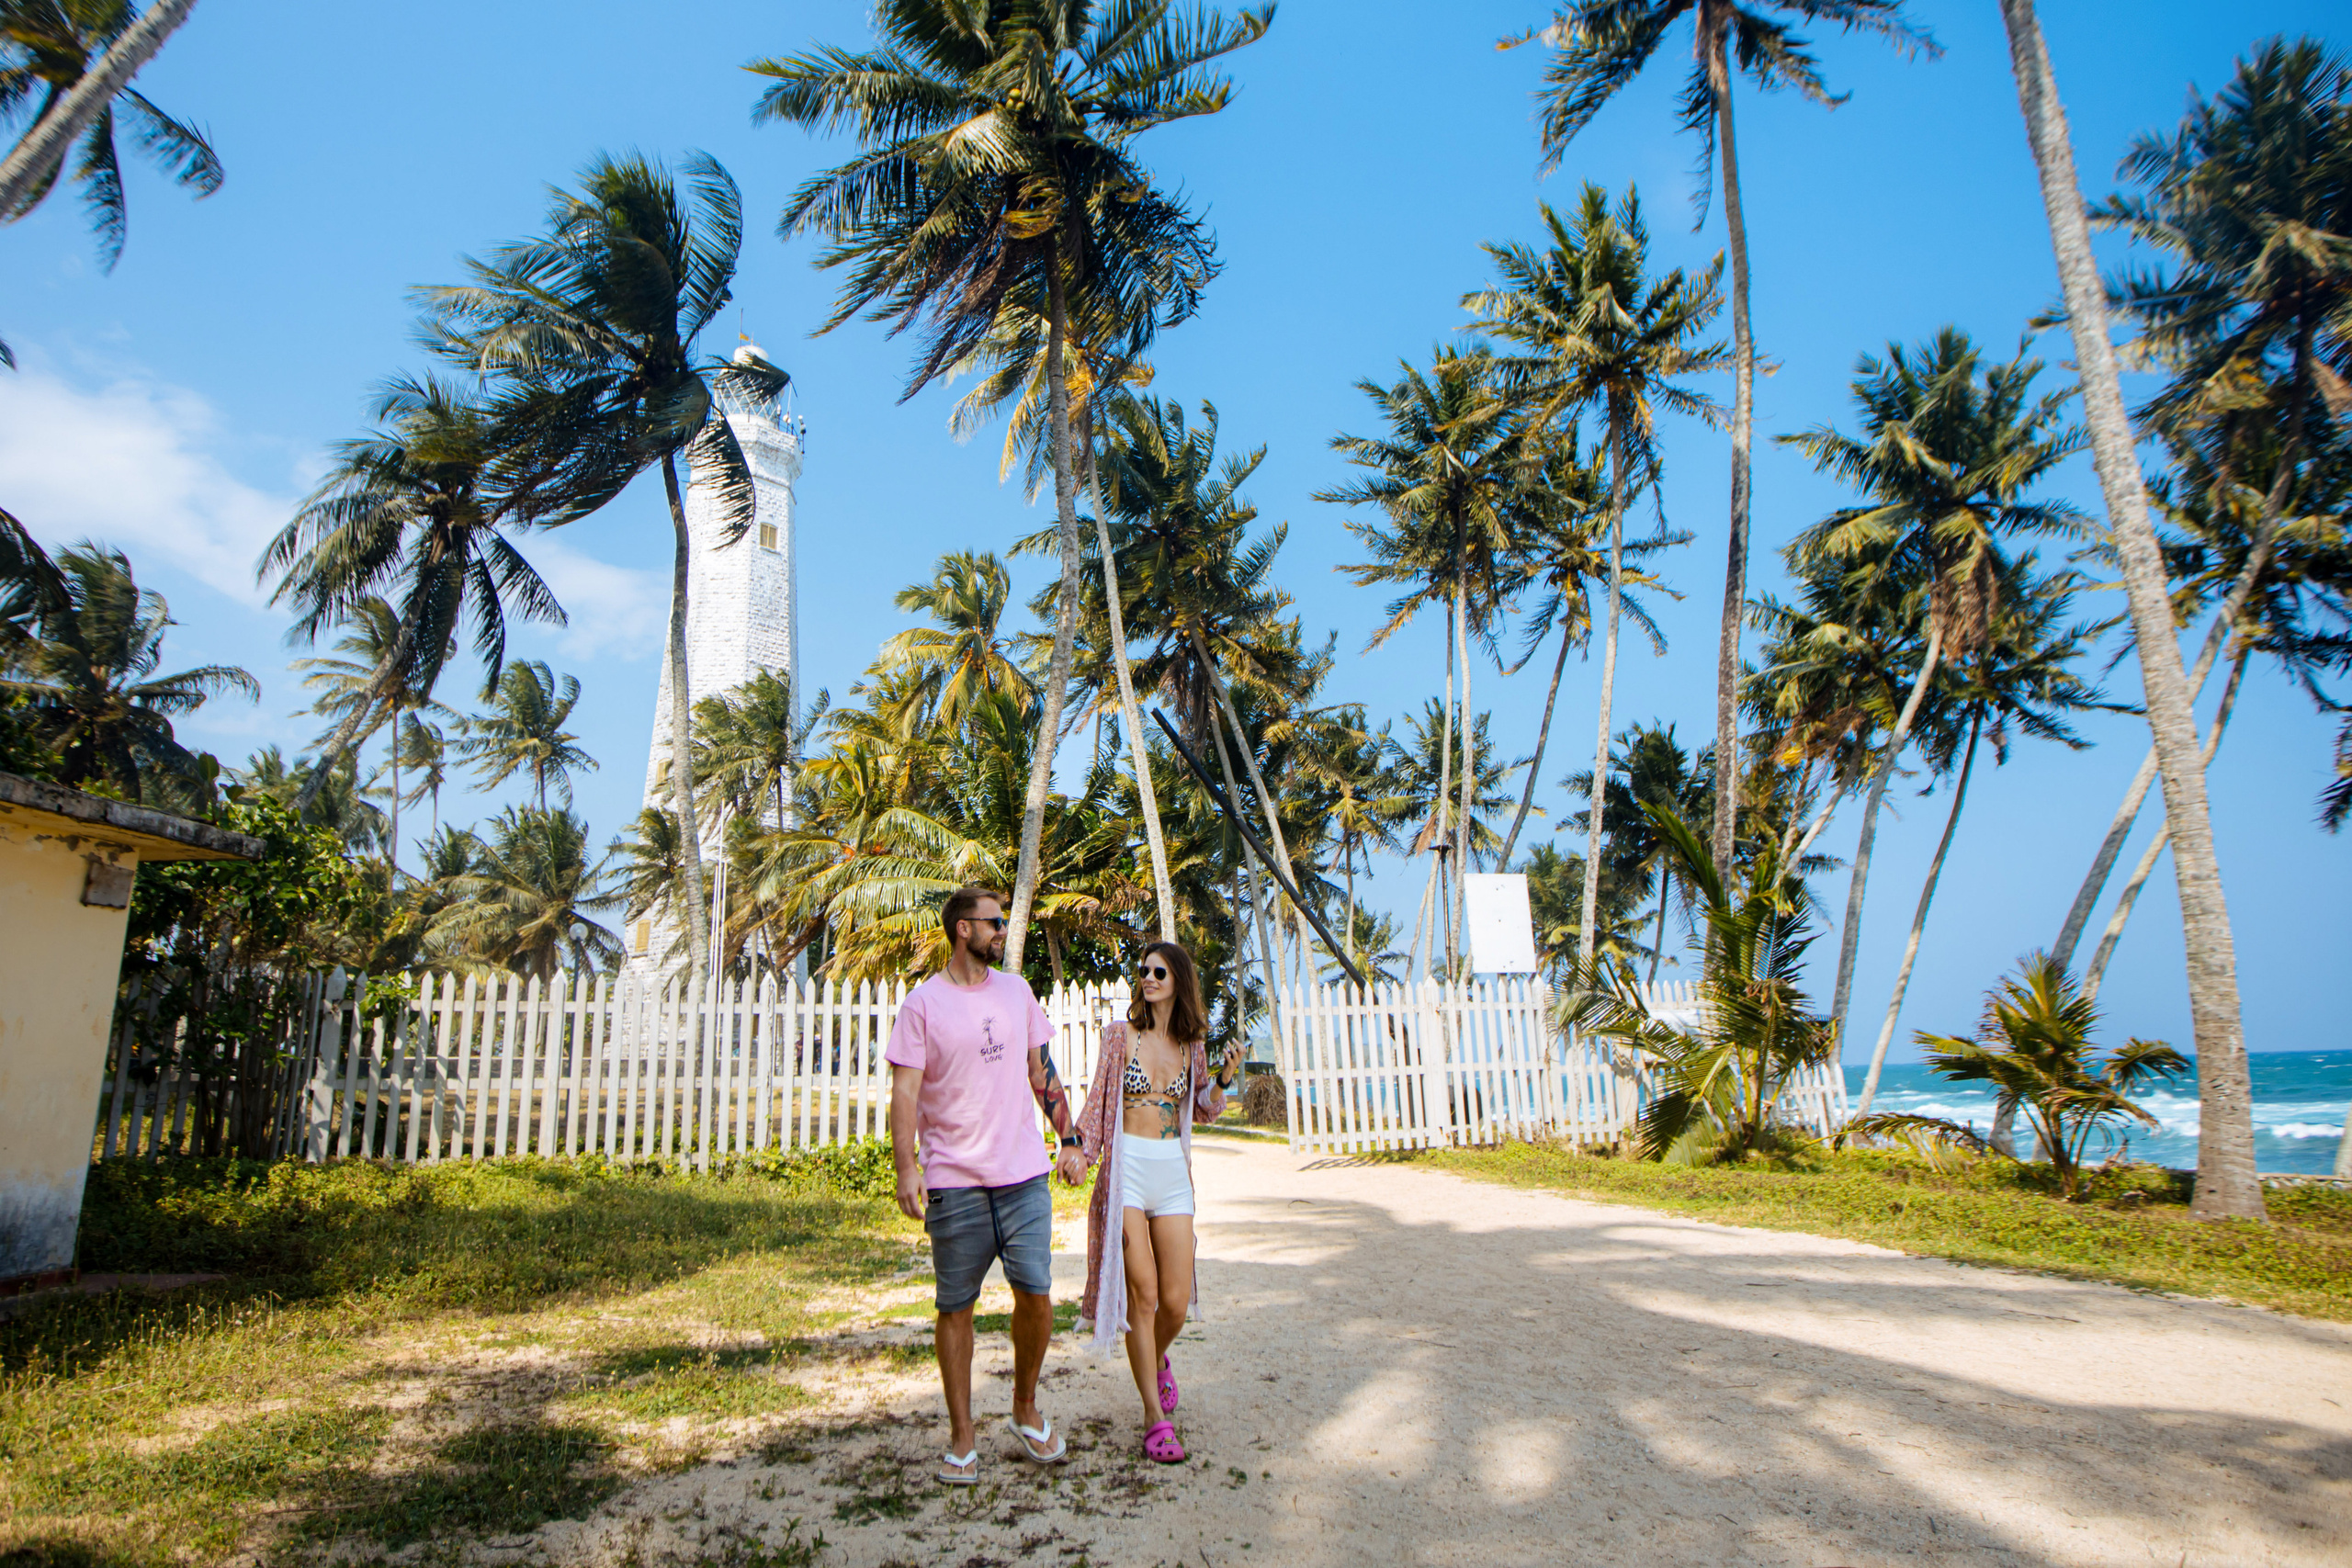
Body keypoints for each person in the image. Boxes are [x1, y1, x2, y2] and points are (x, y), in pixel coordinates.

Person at [886, 886, 1089, 1486]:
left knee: (1037, 1293)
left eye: (1002, 920)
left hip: (1023, 1175)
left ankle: (1024, 1406)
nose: (1002, 929)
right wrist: (906, 1166)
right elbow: (905, 1092)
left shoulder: (1017, 991)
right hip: (954, 1180)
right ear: (962, 930)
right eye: (993, 922)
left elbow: (1040, 1070)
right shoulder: (922, 1005)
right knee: (956, 1308)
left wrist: (1069, 1136)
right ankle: (962, 1434)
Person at [1070, 942, 1238, 1463]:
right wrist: (1080, 1151)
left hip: (1172, 1173)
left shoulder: (1193, 1045)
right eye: (1142, 970)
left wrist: (1226, 1080)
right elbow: (1100, 1102)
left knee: (1176, 1300)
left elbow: (1204, 1108)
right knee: (1142, 1296)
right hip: (1128, 1172)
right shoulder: (1119, 1038)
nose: (1146, 977)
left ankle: (1156, 1357)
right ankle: (1153, 1416)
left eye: (1158, 971)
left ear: (1178, 980)